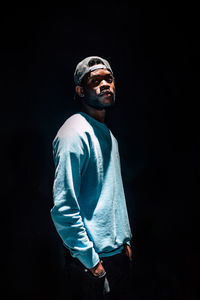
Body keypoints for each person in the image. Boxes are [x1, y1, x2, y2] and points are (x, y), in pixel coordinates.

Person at [51, 56, 133, 299]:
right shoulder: (73, 133)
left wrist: (126, 241)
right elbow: (64, 208)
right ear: (80, 90)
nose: (105, 84)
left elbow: (112, 196)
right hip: (92, 265)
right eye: (95, 81)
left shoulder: (108, 134)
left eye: (109, 79)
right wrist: (92, 263)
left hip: (117, 258)